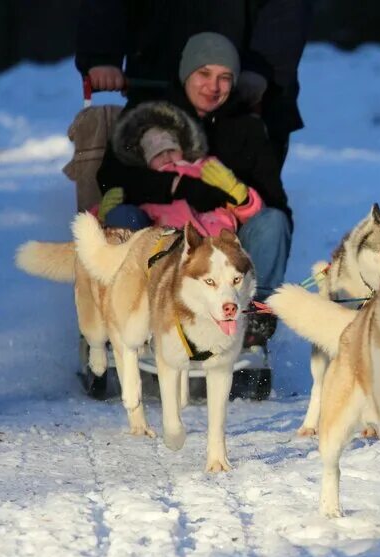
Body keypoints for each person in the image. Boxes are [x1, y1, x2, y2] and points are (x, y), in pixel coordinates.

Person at [97, 32, 290, 346]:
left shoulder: (247, 129)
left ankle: (254, 318)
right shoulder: (151, 115)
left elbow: (274, 202)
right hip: (156, 236)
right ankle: (127, 312)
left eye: (225, 78)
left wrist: (236, 194)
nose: (213, 87)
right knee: (122, 215)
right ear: (187, 73)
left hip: (225, 240)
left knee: (274, 221)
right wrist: (179, 186)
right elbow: (111, 176)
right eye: (204, 74)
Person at [75, 0, 308, 166]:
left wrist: (260, 70)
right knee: (148, 198)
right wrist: (101, 56)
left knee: (247, 202)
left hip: (246, 92)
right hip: (157, 84)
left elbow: (285, 10)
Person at [100, 100, 264, 237]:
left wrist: (239, 196)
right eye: (157, 155)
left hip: (216, 243)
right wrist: (102, 216)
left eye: (171, 150)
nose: (166, 157)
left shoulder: (206, 168)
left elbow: (253, 215)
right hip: (167, 248)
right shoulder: (145, 185)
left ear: (183, 148)